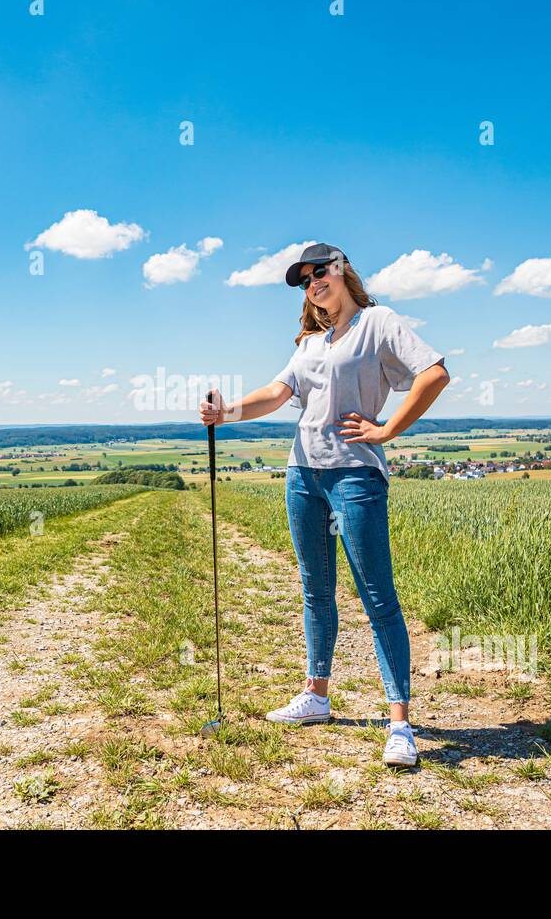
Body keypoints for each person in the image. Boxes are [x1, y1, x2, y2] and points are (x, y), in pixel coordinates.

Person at [198, 243, 450, 767]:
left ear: (344, 272)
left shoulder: (378, 322)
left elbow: (434, 373)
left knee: (377, 595)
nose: (313, 282)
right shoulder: (312, 342)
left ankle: (399, 723)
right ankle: (316, 694)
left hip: (355, 475)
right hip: (302, 474)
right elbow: (277, 392)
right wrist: (226, 413)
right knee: (316, 589)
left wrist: (386, 430)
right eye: (305, 279)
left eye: (321, 272)